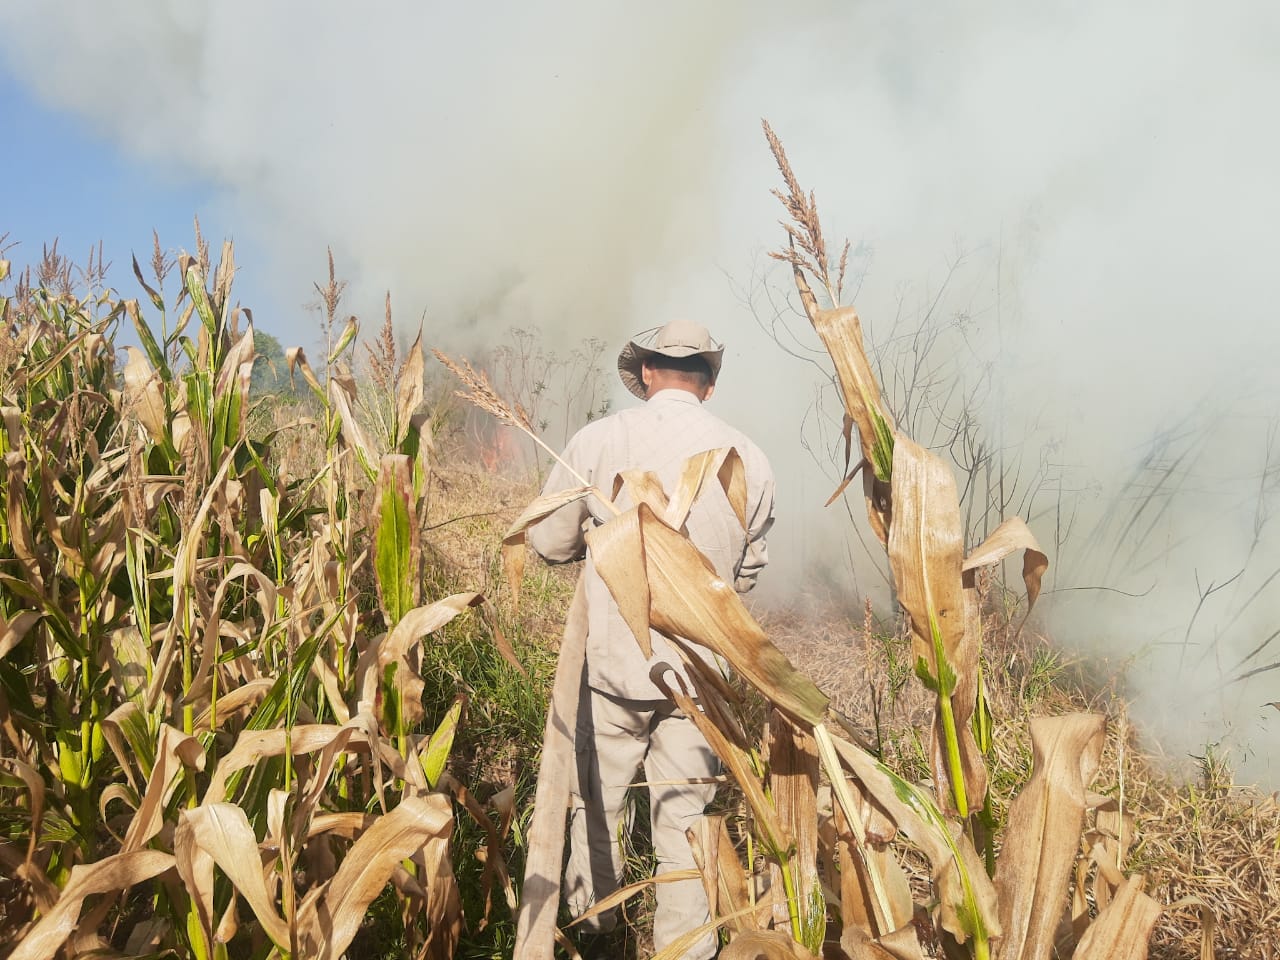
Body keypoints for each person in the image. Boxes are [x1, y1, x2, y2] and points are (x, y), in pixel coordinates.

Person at [528, 319, 776, 959]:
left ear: (644, 373)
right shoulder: (748, 456)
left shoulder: (599, 439)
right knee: (687, 828)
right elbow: (746, 572)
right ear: (710, 385)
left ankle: (594, 937)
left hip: (613, 670)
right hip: (701, 678)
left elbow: (548, 541)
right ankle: (686, 950)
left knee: (597, 808)